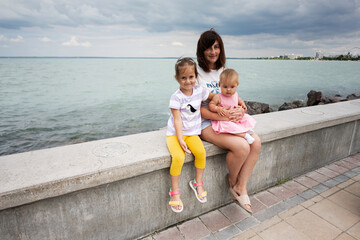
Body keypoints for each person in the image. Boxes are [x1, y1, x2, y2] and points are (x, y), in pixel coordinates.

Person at [196, 29, 261, 214]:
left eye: (216, 47)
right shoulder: (196, 73)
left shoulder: (223, 71)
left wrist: (241, 109)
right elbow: (195, 109)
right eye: (208, 48)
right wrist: (222, 116)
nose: (213, 52)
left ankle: (242, 185)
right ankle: (232, 182)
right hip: (205, 123)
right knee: (242, 147)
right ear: (201, 50)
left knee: (256, 142)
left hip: (229, 121)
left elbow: (232, 95)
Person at [166, 57, 213, 213]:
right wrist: (179, 139)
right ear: (177, 78)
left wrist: (219, 100)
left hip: (192, 133)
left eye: (191, 77)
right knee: (178, 157)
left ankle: (197, 183)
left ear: (196, 77)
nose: (188, 81)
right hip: (175, 134)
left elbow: (212, 96)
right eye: (183, 78)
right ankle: (174, 192)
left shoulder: (199, 91)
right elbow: (177, 119)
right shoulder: (176, 97)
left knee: (201, 153)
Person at [209, 68, 256, 144]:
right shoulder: (218, 97)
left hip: (234, 118)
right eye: (225, 87)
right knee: (229, 127)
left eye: (232, 87)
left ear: (237, 84)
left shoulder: (235, 94)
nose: (228, 90)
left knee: (246, 119)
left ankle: (243, 129)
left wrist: (243, 105)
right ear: (219, 84)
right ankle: (244, 135)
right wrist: (218, 109)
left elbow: (239, 100)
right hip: (223, 120)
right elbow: (211, 105)